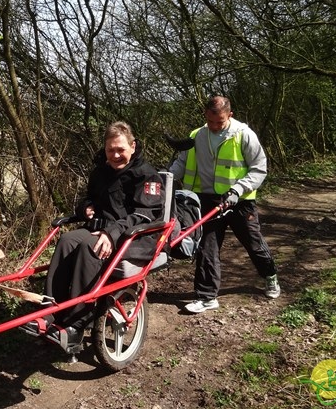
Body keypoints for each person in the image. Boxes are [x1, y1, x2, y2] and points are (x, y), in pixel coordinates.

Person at [27, 121, 166, 347]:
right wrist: (85, 208)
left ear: (133, 146)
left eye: (121, 149)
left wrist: (112, 233)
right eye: (111, 150)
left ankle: (76, 325)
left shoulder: (146, 175)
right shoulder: (100, 172)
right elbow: (89, 197)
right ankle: (50, 311)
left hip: (137, 236)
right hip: (103, 229)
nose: (116, 155)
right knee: (67, 240)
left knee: (88, 248)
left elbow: (146, 215)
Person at [169, 95, 280, 314]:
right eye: (210, 122)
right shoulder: (196, 136)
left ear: (230, 115)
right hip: (207, 200)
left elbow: (259, 168)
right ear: (205, 115)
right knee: (206, 247)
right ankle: (206, 296)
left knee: (254, 244)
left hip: (239, 201)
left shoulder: (244, 135)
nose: (214, 126)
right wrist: (163, 180)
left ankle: (270, 275)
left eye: (219, 122)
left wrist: (237, 190)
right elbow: (180, 164)